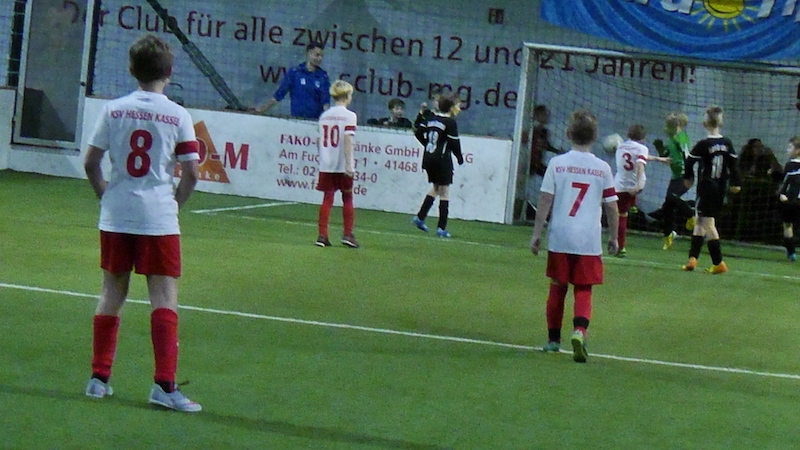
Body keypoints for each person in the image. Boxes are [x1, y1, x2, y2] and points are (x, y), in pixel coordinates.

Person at [82, 35, 201, 412]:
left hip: (117, 214)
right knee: (163, 296)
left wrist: (105, 194)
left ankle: (98, 379)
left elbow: (91, 162)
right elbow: (192, 173)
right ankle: (164, 385)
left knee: (111, 291)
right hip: (157, 217)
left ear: (132, 70)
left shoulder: (113, 109)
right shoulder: (178, 115)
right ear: (169, 72)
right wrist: (173, 205)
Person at [530, 109, 620, 363]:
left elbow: (545, 199)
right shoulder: (602, 168)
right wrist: (614, 237)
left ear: (569, 133)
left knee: (557, 286)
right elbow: (612, 206)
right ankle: (580, 331)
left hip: (560, 235)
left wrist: (537, 233)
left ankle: (552, 340)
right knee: (584, 288)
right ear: (595, 137)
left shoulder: (557, 164)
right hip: (588, 239)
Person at [681, 106, 741, 274]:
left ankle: (718, 262)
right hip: (720, 187)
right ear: (721, 123)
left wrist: (688, 178)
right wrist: (736, 183)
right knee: (700, 220)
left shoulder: (703, 144)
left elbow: (689, 162)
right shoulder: (727, 143)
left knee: (708, 223)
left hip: (706, 186)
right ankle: (692, 259)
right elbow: (733, 165)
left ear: (705, 123)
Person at [411, 92, 464, 238]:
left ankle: (420, 217)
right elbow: (454, 143)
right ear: (451, 107)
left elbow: (418, 132)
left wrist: (427, 145)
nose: (459, 109)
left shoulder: (432, 119)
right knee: (444, 191)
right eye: (458, 106)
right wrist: (460, 158)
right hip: (442, 159)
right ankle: (441, 228)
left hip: (428, 158)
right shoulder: (450, 122)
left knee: (436, 188)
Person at [316, 80, 359, 248]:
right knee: (347, 197)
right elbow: (347, 139)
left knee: (327, 198)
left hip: (327, 163)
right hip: (341, 164)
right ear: (347, 96)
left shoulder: (324, 116)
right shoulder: (350, 116)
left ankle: (322, 235)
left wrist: (323, 157)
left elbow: (319, 139)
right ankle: (348, 234)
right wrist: (349, 164)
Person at [613, 124, 669, 256]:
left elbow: (639, 157)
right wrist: (638, 184)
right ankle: (621, 247)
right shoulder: (642, 148)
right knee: (623, 215)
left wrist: (658, 159)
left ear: (628, 134)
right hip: (635, 185)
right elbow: (640, 163)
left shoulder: (620, 146)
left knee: (620, 215)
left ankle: (620, 246)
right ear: (643, 138)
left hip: (620, 186)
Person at [254, 41, 330, 119]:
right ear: (309, 53)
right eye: (317, 55)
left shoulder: (323, 76)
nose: (320, 59)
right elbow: (279, 95)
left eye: (321, 56)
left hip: (315, 122)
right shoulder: (295, 73)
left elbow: (325, 102)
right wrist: (262, 109)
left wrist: (328, 119)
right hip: (296, 120)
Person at [654, 112, 695, 250]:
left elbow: (686, 155)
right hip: (676, 176)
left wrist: (688, 173)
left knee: (672, 197)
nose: (666, 128)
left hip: (685, 175)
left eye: (668, 125)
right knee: (668, 205)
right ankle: (669, 234)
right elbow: (666, 156)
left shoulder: (681, 137)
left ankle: (691, 214)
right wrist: (661, 149)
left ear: (676, 125)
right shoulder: (672, 139)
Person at [777, 137, 800, 262]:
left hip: (791, 200)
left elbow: (785, 182)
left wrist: (782, 194)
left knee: (787, 225)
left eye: (790, 147)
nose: (787, 150)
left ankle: (791, 252)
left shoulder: (790, 165)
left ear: (797, 150)